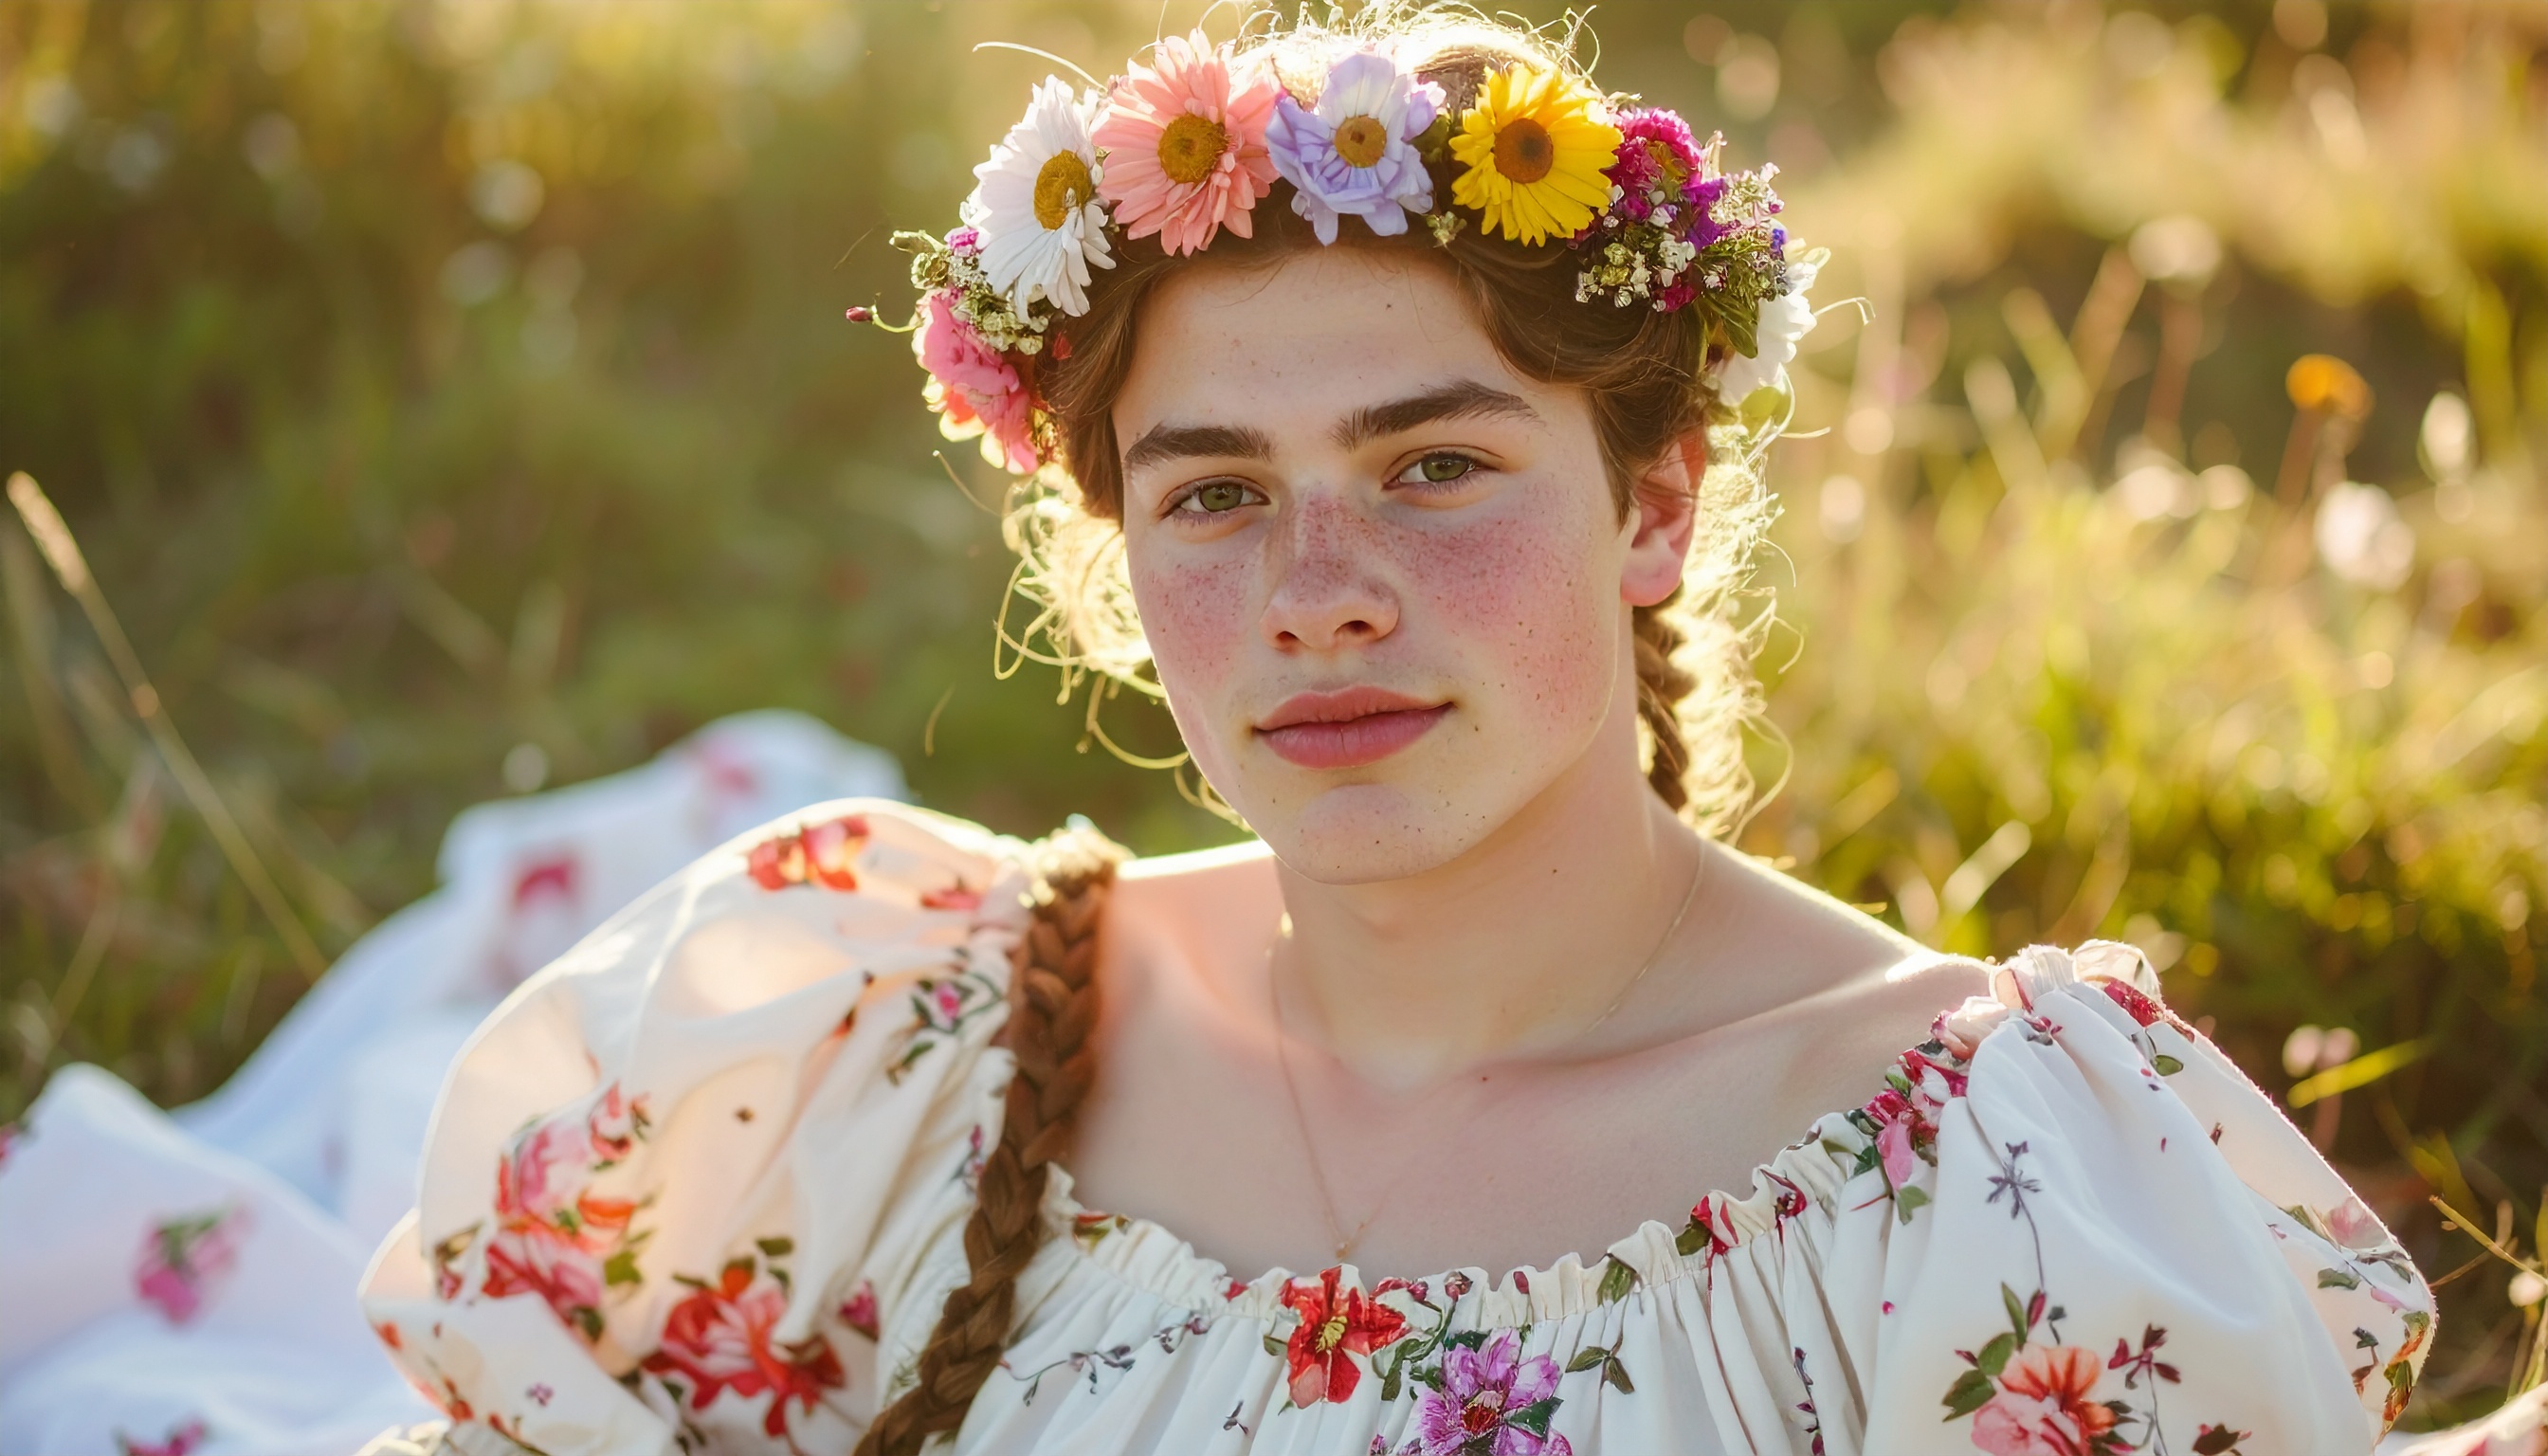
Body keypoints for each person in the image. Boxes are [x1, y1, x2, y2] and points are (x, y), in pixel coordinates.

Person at [356, 8, 2434, 1454]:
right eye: (1217, 493)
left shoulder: (1979, 1182)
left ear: (1653, 503)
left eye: (1433, 468)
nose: (1318, 590)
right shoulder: (906, 1037)